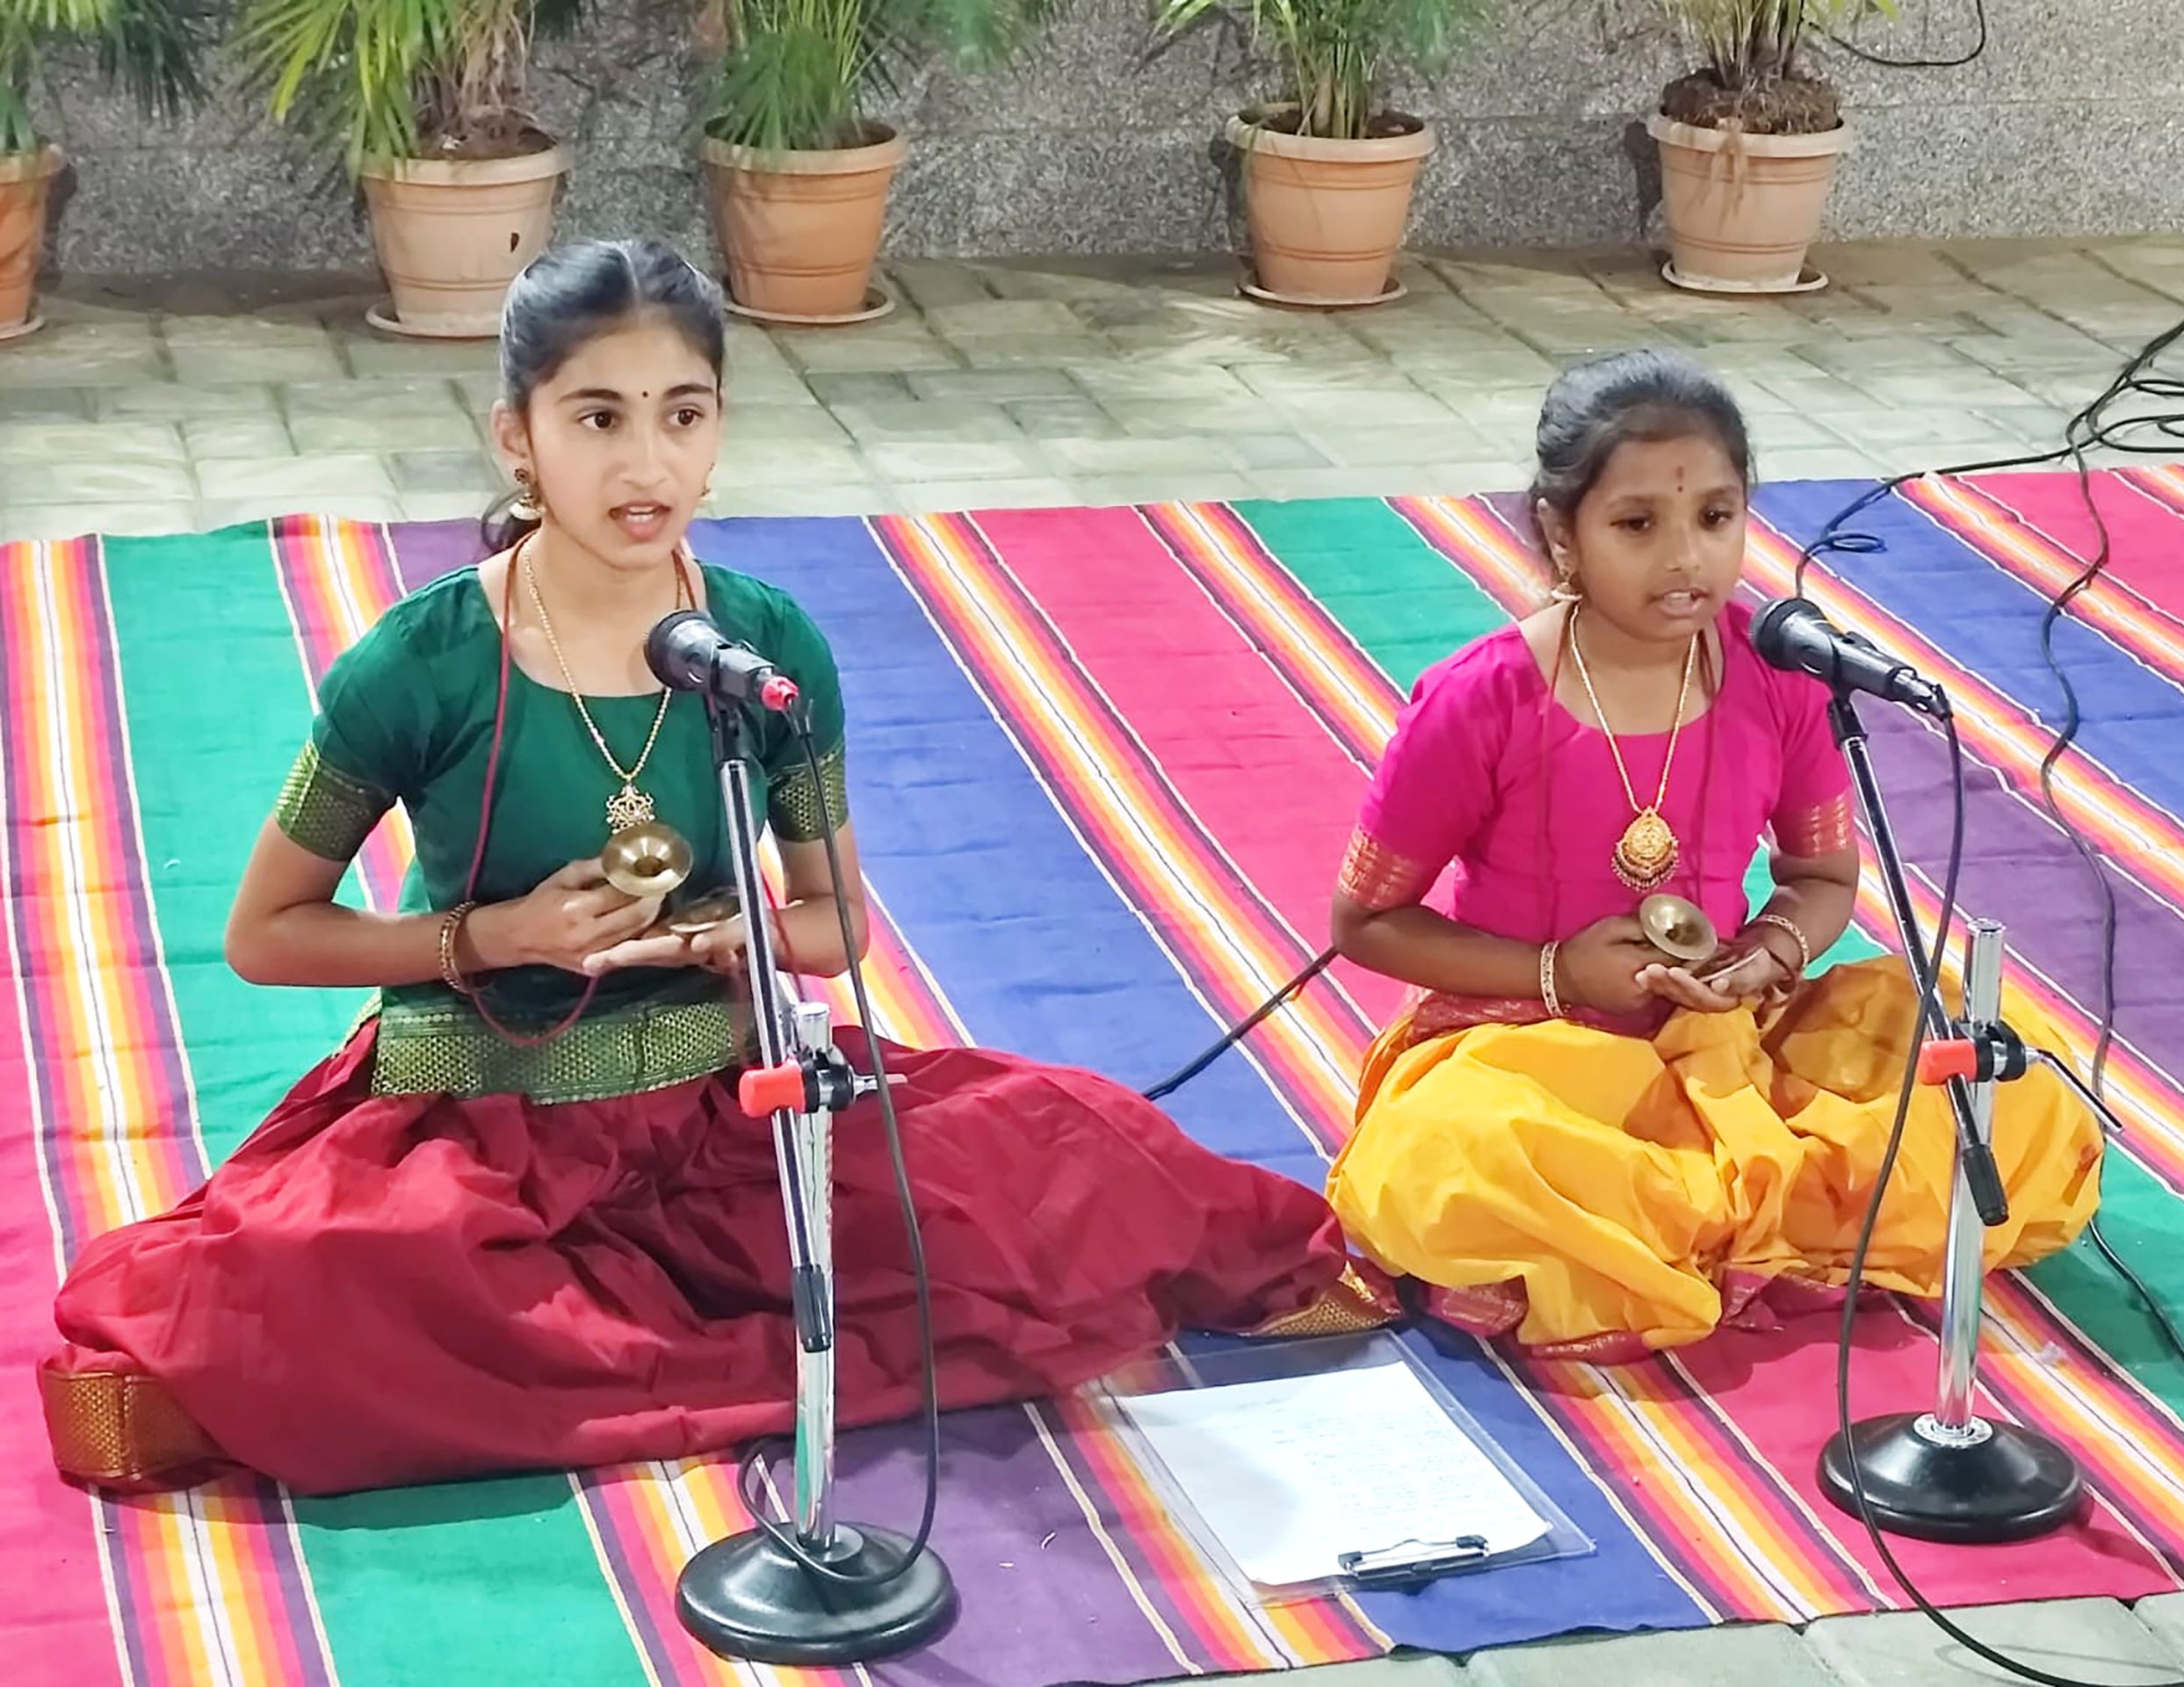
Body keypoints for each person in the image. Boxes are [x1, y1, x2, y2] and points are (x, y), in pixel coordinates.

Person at [38, 239, 1368, 1496]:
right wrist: (493, 938)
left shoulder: (763, 647)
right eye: (598, 417)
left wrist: (729, 937)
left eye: (684, 414)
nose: (647, 462)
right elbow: (268, 934)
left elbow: (834, 925)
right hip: (492, 1117)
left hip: (729, 1111)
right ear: (518, 437)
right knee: (308, 1276)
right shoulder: (421, 662)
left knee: (1066, 1163)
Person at [1325, 349, 2101, 1363]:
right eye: (1637, 525)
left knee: (1995, 1069)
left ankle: (1700, 1223)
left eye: (1715, 517)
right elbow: (1365, 922)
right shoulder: (1480, 701)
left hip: (1736, 1035)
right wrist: (1557, 974)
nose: (1685, 558)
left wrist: (1766, 955)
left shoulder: (1780, 674)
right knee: (1464, 1153)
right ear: (1560, 533)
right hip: (1525, 1047)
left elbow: (1820, 880)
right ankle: (1718, 1223)